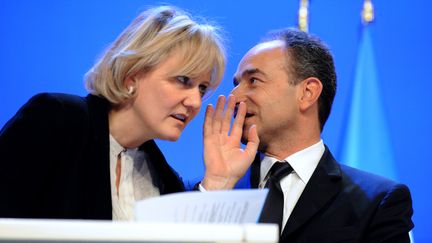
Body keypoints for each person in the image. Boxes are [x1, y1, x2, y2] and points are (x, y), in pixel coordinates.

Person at [0, 5, 258, 220]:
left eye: (202, 89)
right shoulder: (56, 119)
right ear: (131, 75)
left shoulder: (162, 176)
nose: (194, 102)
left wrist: (216, 181)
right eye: (183, 80)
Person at [231, 28, 414, 242]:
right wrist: (215, 185)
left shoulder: (377, 202)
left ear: (307, 93)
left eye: (253, 81)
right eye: (236, 84)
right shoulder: (211, 191)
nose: (234, 97)